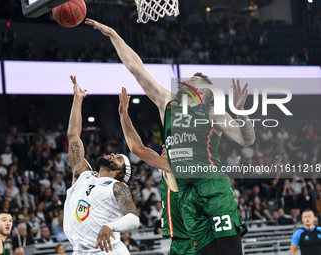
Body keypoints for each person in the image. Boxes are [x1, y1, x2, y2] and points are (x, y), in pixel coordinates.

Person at [87, 19, 254, 255]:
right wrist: (115, 35)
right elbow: (137, 68)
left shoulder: (213, 112)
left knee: (228, 250)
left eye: (192, 83)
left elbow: (246, 139)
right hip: (185, 193)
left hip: (212, 186)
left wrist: (241, 112)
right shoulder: (169, 104)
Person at [63, 76, 139, 254]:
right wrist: (78, 99)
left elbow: (133, 219)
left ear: (120, 173)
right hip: (80, 251)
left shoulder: (117, 186)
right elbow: (74, 136)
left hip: (108, 251)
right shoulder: (83, 174)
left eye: (119, 159)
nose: (113, 154)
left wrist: (110, 226)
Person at [119, 87, 198, 254]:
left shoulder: (174, 166)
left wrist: (124, 115)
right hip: (182, 241)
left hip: (189, 242)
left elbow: (136, 148)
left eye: (168, 144)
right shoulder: (172, 168)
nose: (164, 146)